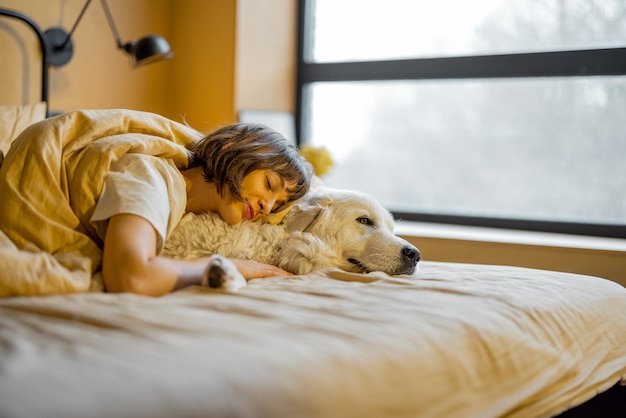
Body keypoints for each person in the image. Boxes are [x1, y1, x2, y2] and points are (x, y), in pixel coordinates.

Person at [0, 109, 312, 297]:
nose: (268, 207)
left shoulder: (183, 202)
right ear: (232, 148)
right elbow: (131, 277)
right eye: (269, 185)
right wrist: (232, 267)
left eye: (278, 204)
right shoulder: (153, 177)